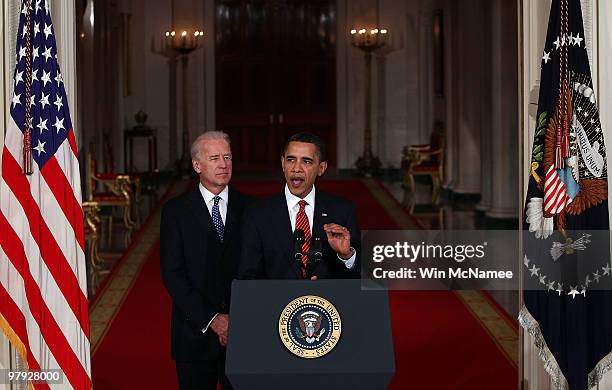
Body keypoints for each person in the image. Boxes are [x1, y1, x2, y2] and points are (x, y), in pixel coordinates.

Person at [160, 131, 253, 390]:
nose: (224, 164)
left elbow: (258, 269)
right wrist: (213, 319)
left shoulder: (251, 208)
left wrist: (237, 318)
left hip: (243, 332)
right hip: (194, 334)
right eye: (215, 158)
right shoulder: (175, 211)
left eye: (228, 157)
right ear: (197, 165)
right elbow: (173, 274)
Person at [239, 132, 360, 279]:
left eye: (306, 161)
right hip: (276, 301)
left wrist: (346, 255)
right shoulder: (257, 213)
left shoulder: (343, 210)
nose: (297, 168)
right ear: (283, 163)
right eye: (291, 160)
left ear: (321, 168)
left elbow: (359, 278)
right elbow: (248, 276)